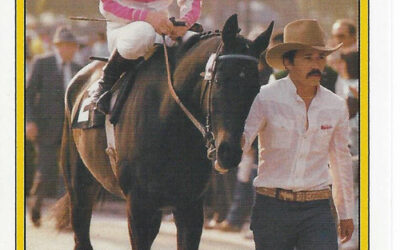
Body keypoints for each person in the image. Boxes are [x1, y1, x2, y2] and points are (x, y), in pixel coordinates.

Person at [242, 19, 355, 249]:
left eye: (321, 58)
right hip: (271, 208)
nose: (317, 65)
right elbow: (242, 143)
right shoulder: (266, 97)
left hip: (317, 209)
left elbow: (340, 161)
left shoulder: (335, 105)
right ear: (288, 62)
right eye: (308, 58)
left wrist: (345, 213)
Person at [89, 0, 202, 114]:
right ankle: (106, 82)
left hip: (163, 26)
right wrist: (146, 17)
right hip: (123, 27)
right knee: (144, 32)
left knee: (195, 40)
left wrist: (185, 22)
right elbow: (108, 4)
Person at [26, 26, 81, 227]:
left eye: (74, 46)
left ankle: (62, 217)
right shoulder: (43, 64)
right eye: (67, 46)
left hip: (71, 132)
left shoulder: (78, 68)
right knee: (46, 171)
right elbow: (28, 95)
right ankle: (36, 205)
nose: (72, 50)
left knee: (68, 174)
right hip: (46, 129)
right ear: (58, 46)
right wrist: (29, 121)